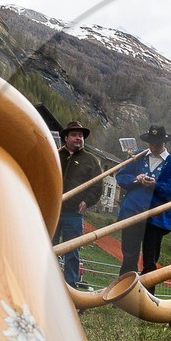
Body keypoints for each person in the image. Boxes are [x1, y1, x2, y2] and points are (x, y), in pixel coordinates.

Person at [115, 125, 171, 275]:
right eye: (151, 143)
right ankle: (125, 294)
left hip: (155, 218)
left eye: (157, 143)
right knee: (129, 257)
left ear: (164, 143)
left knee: (150, 261)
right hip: (132, 213)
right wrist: (135, 180)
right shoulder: (137, 156)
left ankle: (147, 296)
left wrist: (155, 185)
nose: (153, 147)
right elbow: (121, 176)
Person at [53, 121, 103, 289]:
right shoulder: (54, 155)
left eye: (80, 136)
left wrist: (87, 201)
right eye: (74, 135)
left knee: (72, 253)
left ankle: (70, 288)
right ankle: (48, 286)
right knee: (48, 249)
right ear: (66, 138)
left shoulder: (91, 160)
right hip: (52, 211)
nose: (78, 138)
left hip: (73, 214)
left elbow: (97, 186)